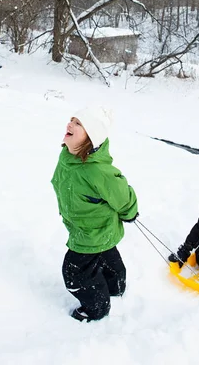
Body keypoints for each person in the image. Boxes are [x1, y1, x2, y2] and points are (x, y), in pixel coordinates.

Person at [51, 106, 138, 322]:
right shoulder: (68, 157)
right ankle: (115, 286)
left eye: (78, 123)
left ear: (91, 138)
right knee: (106, 253)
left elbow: (121, 194)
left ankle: (96, 308)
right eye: (71, 119)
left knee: (75, 273)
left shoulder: (97, 171)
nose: (69, 124)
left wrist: (130, 212)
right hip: (89, 226)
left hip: (91, 232)